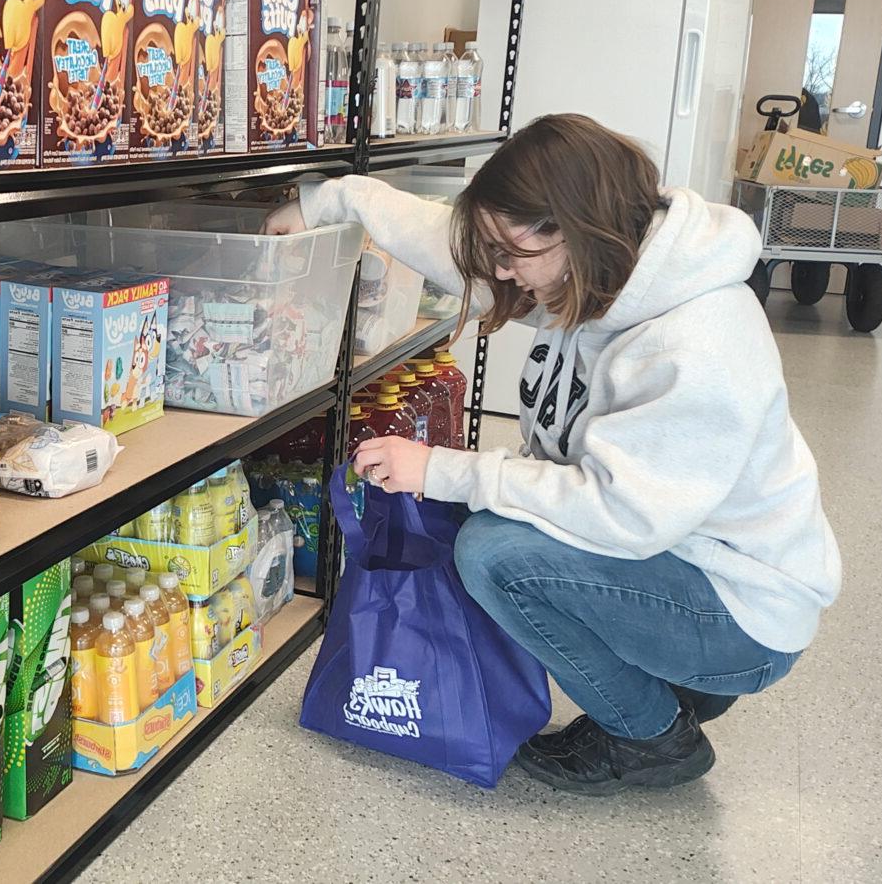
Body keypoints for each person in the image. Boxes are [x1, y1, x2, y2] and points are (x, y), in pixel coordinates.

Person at [265, 114, 839, 795]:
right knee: (500, 530)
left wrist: (445, 471)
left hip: (741, 614)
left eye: (512, 253)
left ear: (575, 228)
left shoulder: (697, 341)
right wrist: (331, 199)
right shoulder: (605, 276)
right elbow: (449, 244)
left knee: (495, 555)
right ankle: (668, 680)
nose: (501, 273)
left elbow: (618, 513)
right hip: (680, 560)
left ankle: (652, 738)